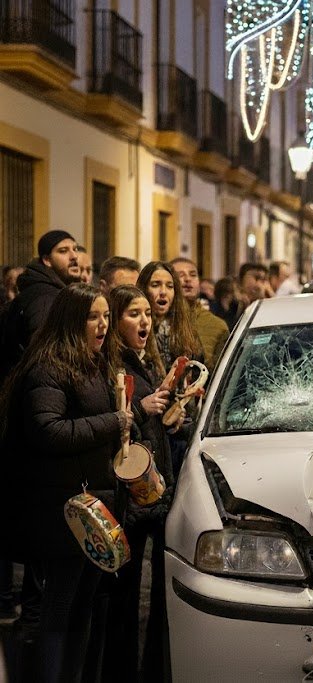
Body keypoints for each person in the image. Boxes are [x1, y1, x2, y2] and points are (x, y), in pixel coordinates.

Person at [0, 284, 130, 683]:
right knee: (59, 607)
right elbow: (48, 430)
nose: (103, 324)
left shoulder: (93, 364)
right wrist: (114, 422)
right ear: (71, 320)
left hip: (92, 502)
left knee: (83, 606)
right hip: (61, 510)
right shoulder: (49, 367)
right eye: (93, 316)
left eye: (106, 315)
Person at [101, 285, 175, 682]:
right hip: (125, 496)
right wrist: (143, 410)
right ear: (116, 318)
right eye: (133, 313)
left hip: (148, 489)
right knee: (123, 595)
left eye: (147, 312)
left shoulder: (145, 359)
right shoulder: (112, 363)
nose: (144, 320)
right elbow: (113, 426)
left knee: (134, 595)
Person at [138, 261, 204, 476]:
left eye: (169, 285)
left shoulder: (184, 330)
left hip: (182, 429)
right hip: (149, 429)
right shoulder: (136, 332)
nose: (163, 292)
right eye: (156, 284)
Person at [0, 230, 81, 378]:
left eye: (75, 249)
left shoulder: (48, 291)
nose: (74, 256)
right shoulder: (46, 298)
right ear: (47, 260)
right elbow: (44, 356)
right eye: (63, 251)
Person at [170, 258, 229, 367]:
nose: (187, 279)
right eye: (180, 275)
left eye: (193, 275)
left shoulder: (217, 325)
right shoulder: (161, 321)